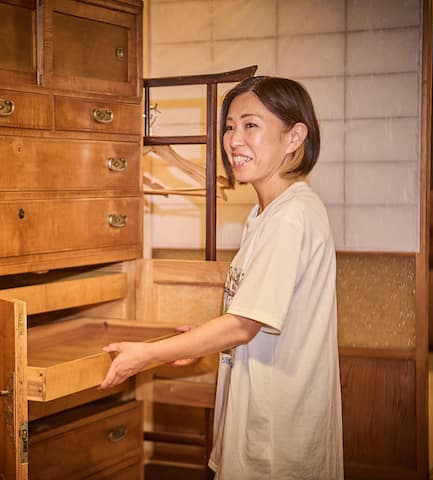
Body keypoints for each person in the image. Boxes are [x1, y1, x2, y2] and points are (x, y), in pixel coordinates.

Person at [100, 76, 344, 480]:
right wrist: (198, 340)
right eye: (229, 126)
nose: (233, 139)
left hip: (277, 438)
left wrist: (145, 356)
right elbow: (254, 316)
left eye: (251, 125)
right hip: (264, 421)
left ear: (294, 136)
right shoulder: (266, 214)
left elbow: (244, 325)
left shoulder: (292, 216)